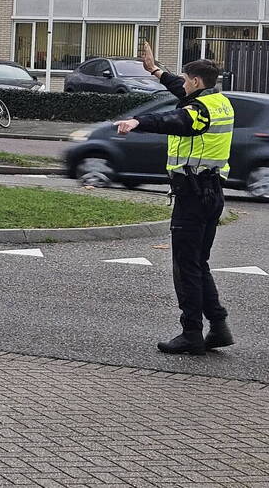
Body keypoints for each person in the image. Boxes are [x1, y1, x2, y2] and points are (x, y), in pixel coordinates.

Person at [114, 42, 235, 356]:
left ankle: (191, 334)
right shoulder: (219, 101)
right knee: (199, 263)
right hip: (212, 193)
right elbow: (183, 97)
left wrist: (140, 122)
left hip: (193, 196)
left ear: (195, 82)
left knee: (186, 267)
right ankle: (219, 327)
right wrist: (155, 71)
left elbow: (176, 120)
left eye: (185, 79)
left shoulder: (198, 111)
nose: (181, 84)